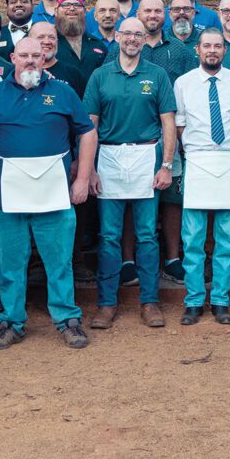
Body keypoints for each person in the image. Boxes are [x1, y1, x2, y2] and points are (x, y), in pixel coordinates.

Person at [0, 37, 98, 349]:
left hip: (55, 195)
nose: (31, 60)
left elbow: (87, 133)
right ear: (13, 58)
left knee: (59, 261)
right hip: (6, 197)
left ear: (45, 58)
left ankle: (68, 319)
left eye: (37, 55)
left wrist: (82, 178)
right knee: (11, 263)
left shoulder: (62, 92)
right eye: (24, 55)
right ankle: (12, 322)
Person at [82, 19, 176, 329]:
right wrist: (90, 168)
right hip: (108, 156)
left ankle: (149, 302)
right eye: (127, 33)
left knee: (147, 235)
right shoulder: (100, 75)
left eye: (138, 33)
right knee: (109, 236)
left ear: (144, 38)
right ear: (118, 37)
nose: (132, 39)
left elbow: (168, 123)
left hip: (145, 156)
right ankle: (107, 304)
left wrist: (166, 165)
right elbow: (90, 125)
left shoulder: (157, 74)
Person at [172, 29, 230, 324]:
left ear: (224, 50)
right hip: (198, 160)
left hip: (228, 160)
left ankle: (220, 299)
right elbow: (179, 125)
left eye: (218, 46)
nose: (212, 51)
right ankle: (193, 301)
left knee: (226, 239)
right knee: (192, 239)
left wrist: (229, 152)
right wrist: (195, 152)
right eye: (207, 46)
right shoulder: (183, 83)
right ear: (198, 50)